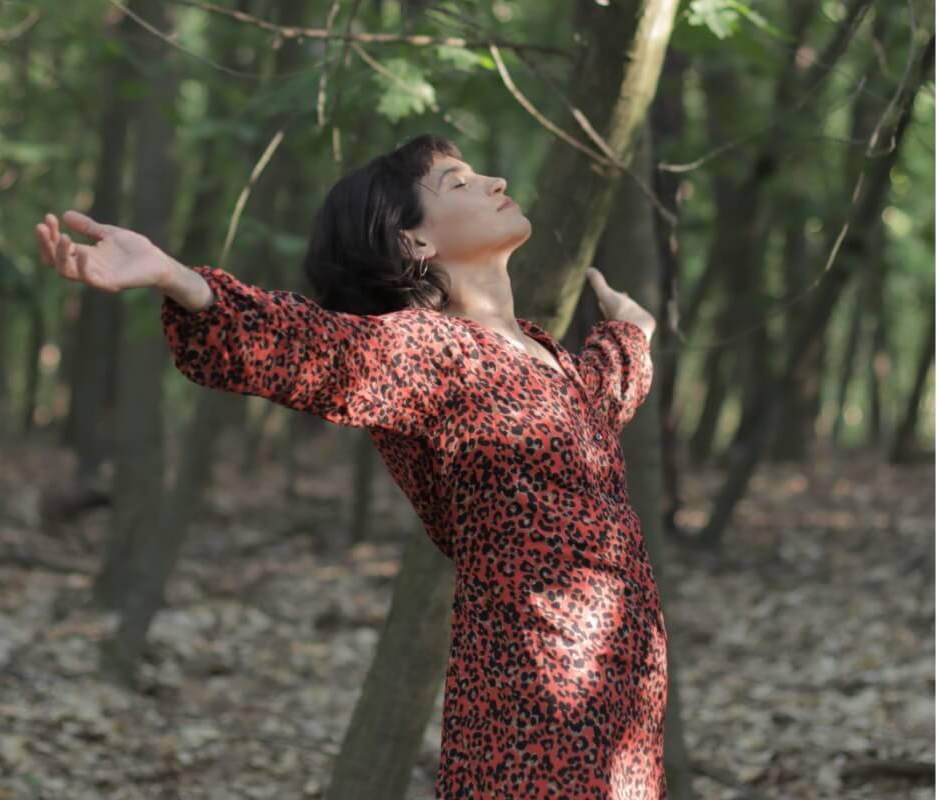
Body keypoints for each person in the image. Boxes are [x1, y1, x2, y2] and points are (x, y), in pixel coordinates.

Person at [35, 133, 664, 799]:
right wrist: (179, 279)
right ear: (414, 241)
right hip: (543, 689)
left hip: (624, 685)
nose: (495, 182)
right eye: (458, 183)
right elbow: (319, 350)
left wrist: (633, 333)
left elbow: (596, 406)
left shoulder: (547, 359)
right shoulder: (436, 351)